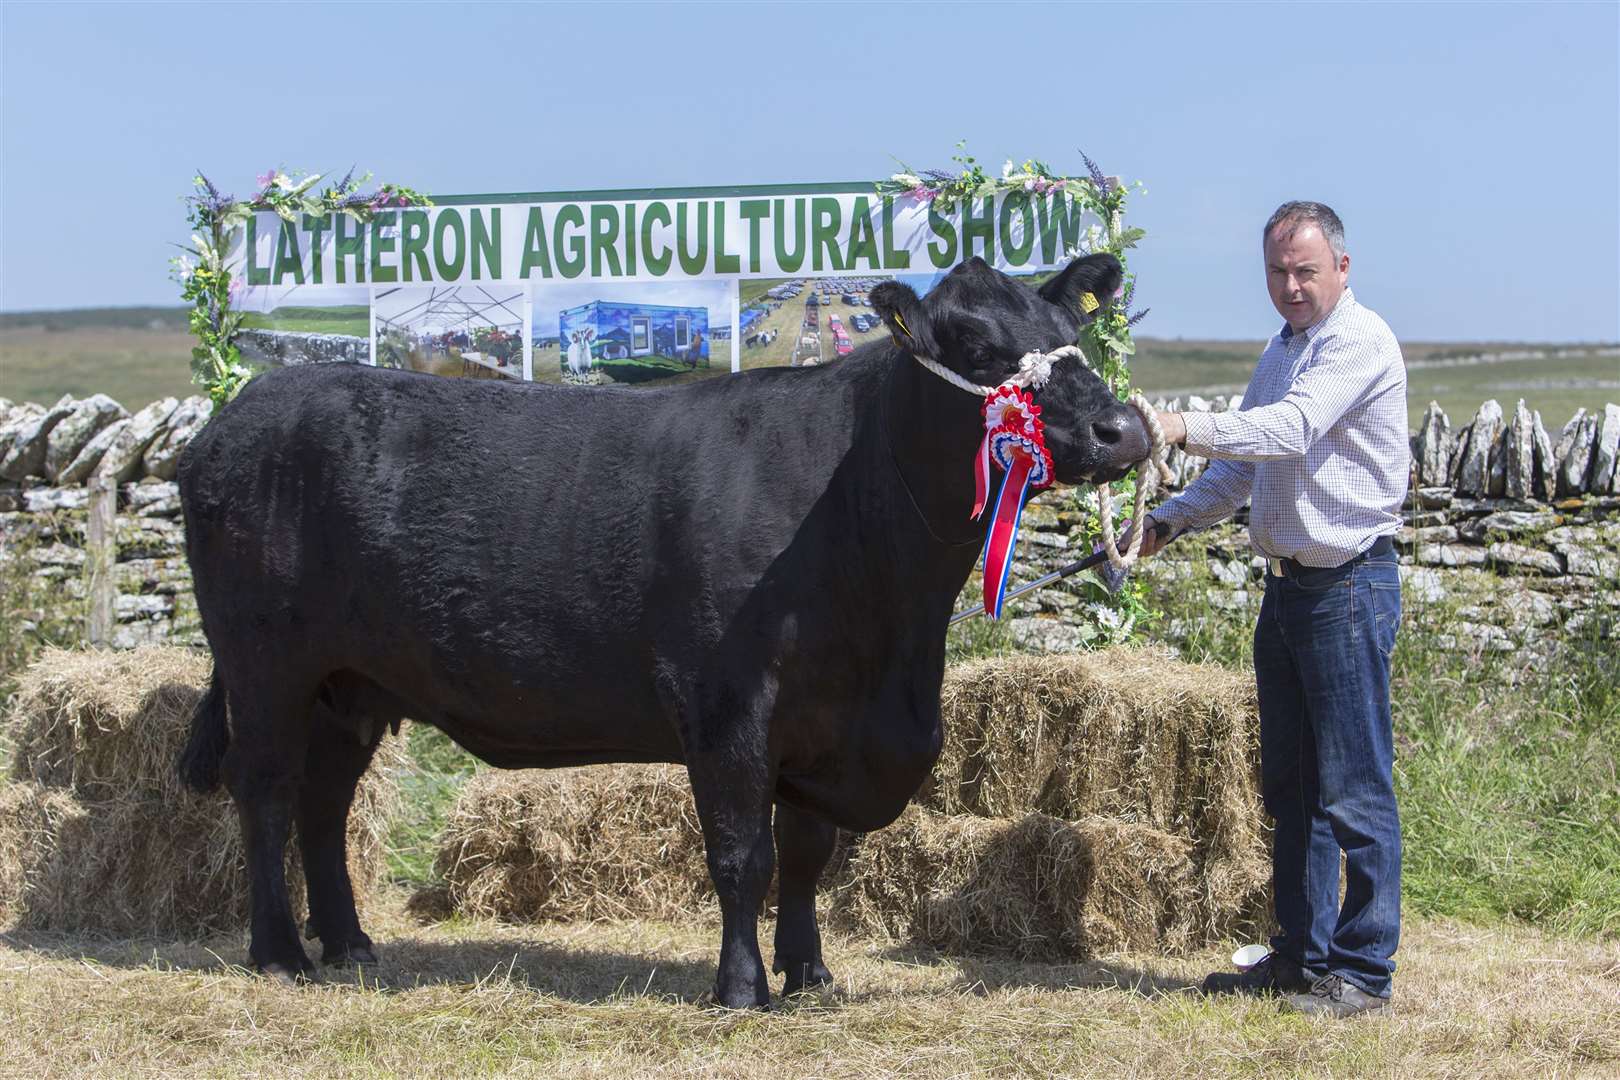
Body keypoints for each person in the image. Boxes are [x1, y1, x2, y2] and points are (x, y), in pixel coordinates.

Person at [1138, 201, 1408, 1019]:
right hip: (1291, 592)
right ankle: (1301, 957)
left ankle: (1362, 974)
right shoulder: (1283, 348)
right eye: (1277, 273)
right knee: (1290, 787)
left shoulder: (1358, 342)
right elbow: (1243, 470)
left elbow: (1287, 431)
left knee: (1354, 788)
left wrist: (1181, 425)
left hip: (1348, 587)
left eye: (1305, 271)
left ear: (1343, 269)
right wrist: (1164, 522)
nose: (1290, 286)